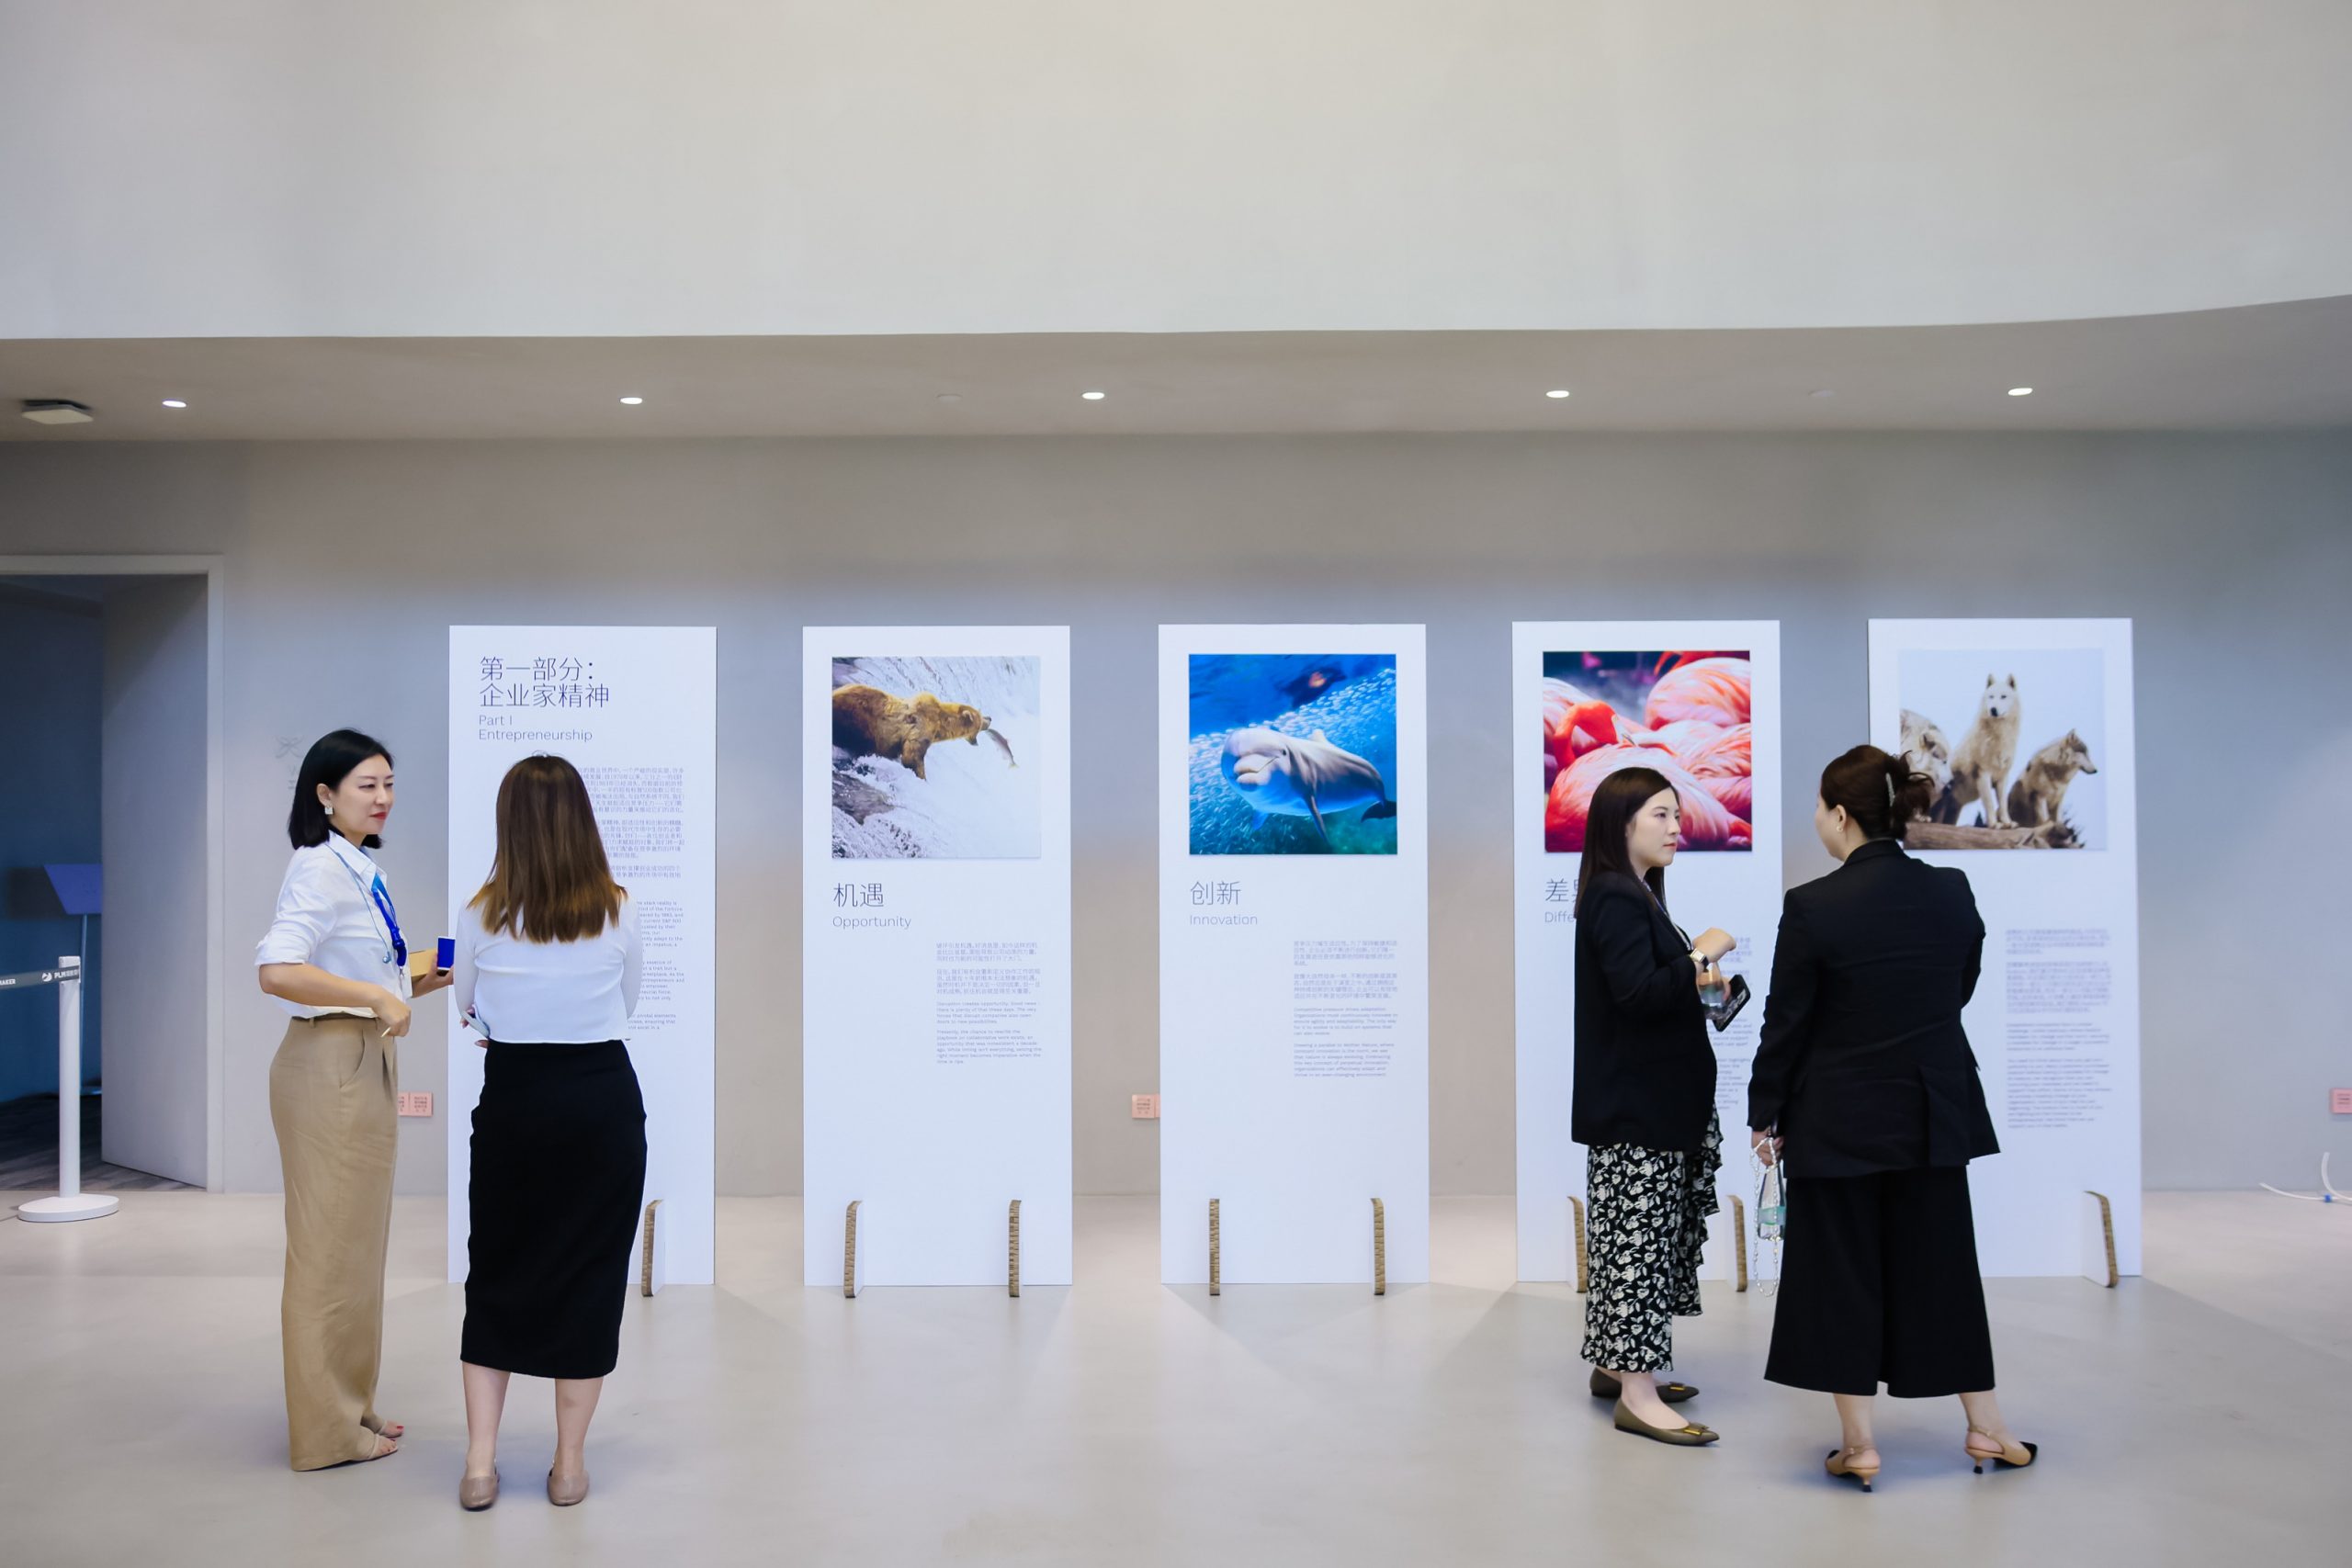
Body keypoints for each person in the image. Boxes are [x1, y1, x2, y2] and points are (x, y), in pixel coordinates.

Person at [1747, 745, 2037, 1491]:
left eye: (1818, 807)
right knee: (1943, 1268)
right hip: (1932, 1108)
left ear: (1841, 815)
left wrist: (1764, 1109)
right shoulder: (1951, 889)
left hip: (1838, 1114)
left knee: (1841, 1271)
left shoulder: (1812, 905)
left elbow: (1787, 1022)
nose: (1816, 819)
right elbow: (1959, 984)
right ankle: (1989, 1424)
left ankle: (1861, 1444)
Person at [448, 754, 646, 1511]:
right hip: (601, 1103)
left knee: (495, 1274)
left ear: (510, 826)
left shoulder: (481, 912)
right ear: (583, 821)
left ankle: (479, 1464)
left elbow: (467, 1006)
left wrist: (508, 1020)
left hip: (516, 1105)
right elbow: (628, 998)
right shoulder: (619, 907)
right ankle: (568, 1466)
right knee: (590, 1278)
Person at [256, 728, 447, 1470]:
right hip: (329, 1062)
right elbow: (278, 969)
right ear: (325, 794)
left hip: (363, 1057)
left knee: (358, 1252)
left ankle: (351, 1403)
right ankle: (326, 1433)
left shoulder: (361, 869)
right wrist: (372, 992)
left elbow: (392, 975)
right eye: (367, 785)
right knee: (328, 1256)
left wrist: (460, 953)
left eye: (390, 783)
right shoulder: (316, 869)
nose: (384, 798)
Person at [1571, 765, 1738, 1446]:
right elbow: (1639, 997)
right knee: (1635, 1245)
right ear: (1623, 823)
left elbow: (1663, 993)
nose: (1678, 827)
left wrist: (1707, 978)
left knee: (1630, 1242)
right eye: (1661, 815)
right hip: (1637, 1108)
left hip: (1653, 1105)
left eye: (1676, 814)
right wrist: (1701, 952)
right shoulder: (1615, 896)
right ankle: (1636, 1394)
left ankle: (1615, 1364)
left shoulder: (1636, 894)